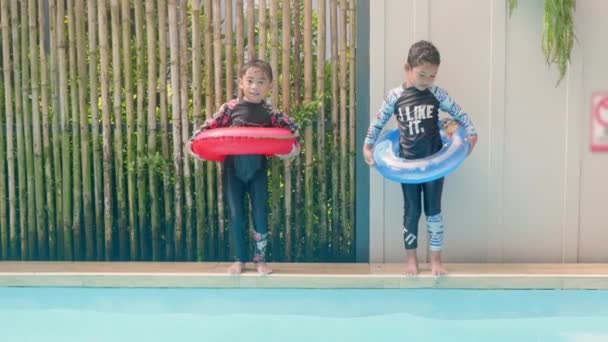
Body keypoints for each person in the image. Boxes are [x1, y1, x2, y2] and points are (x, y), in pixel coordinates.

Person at [362, 41, 478, 276]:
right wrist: (368, 146)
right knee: (412, 211)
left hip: (435, 162)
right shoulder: (395, 97)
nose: (426, 80)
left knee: (433, 210)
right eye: (421, 74)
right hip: (408, 166)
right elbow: (378, 122)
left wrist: (472, 134)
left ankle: (436, 261)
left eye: (432, 76)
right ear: (408, 68)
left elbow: (459, 113)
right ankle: (411, 260)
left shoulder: (437, 94)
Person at [191, 59, 300, 275]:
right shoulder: (230, 108)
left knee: (260, 214)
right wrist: (195, 145)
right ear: (241, 83)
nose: (254, 87)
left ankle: (260, 260)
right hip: (233, 171)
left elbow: (292, 127)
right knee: (236, 214)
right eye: (250, 81)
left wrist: (292, 147)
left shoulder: (269, 112)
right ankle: (239, 259)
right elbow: (208, 126)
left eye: (261, 82)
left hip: (257, 170)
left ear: (269, 86)